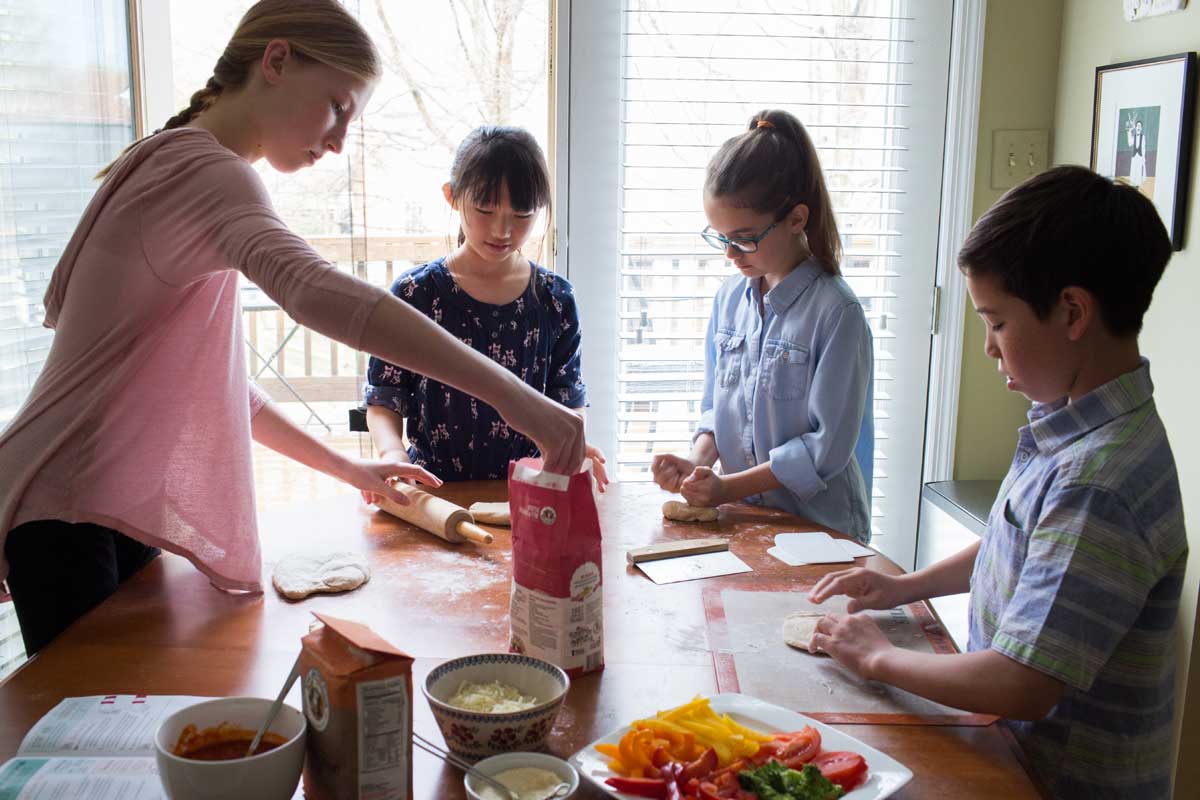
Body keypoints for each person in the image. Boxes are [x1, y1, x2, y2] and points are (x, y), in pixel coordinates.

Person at [0, 0, 586, 657]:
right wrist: (516, 396)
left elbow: (227, 395)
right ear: (276, 61)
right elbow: (314, 292)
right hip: (65, 501)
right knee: (90, 740)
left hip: (96, 503)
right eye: (337, 106)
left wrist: (350, 469)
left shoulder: (186, 167)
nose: (338, 141)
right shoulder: (199, 169)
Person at [808, 165, 1186, 799]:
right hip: (1011, 755)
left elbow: (1023, 683)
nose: (988, 347)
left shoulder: (1098, 480)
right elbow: (1020, 543)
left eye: (998, 322)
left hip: (1056, 781)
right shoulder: (1070, 421)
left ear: (1071, 312)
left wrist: (876, 658)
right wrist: (905, 587)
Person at [651, 109, 874, 543]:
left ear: (796, 219)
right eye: (721, 237)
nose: (731, 253)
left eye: (745, 237)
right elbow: (718, 407)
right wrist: (697, 462)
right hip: (741, 521)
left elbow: (825, 449)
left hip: (819, 532)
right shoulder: (729, 299)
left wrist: (726, 488)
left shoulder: (837, 313)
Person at [361, 126, 607, 492]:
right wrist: (392, 453)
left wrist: (568, 445)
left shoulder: (556, 299)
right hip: (432, 489)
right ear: (452, 196)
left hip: (527, 489)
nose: (502, 230)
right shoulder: (416, 293)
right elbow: (384, 395)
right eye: (485, 210)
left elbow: (566, 397)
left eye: (522, 215)